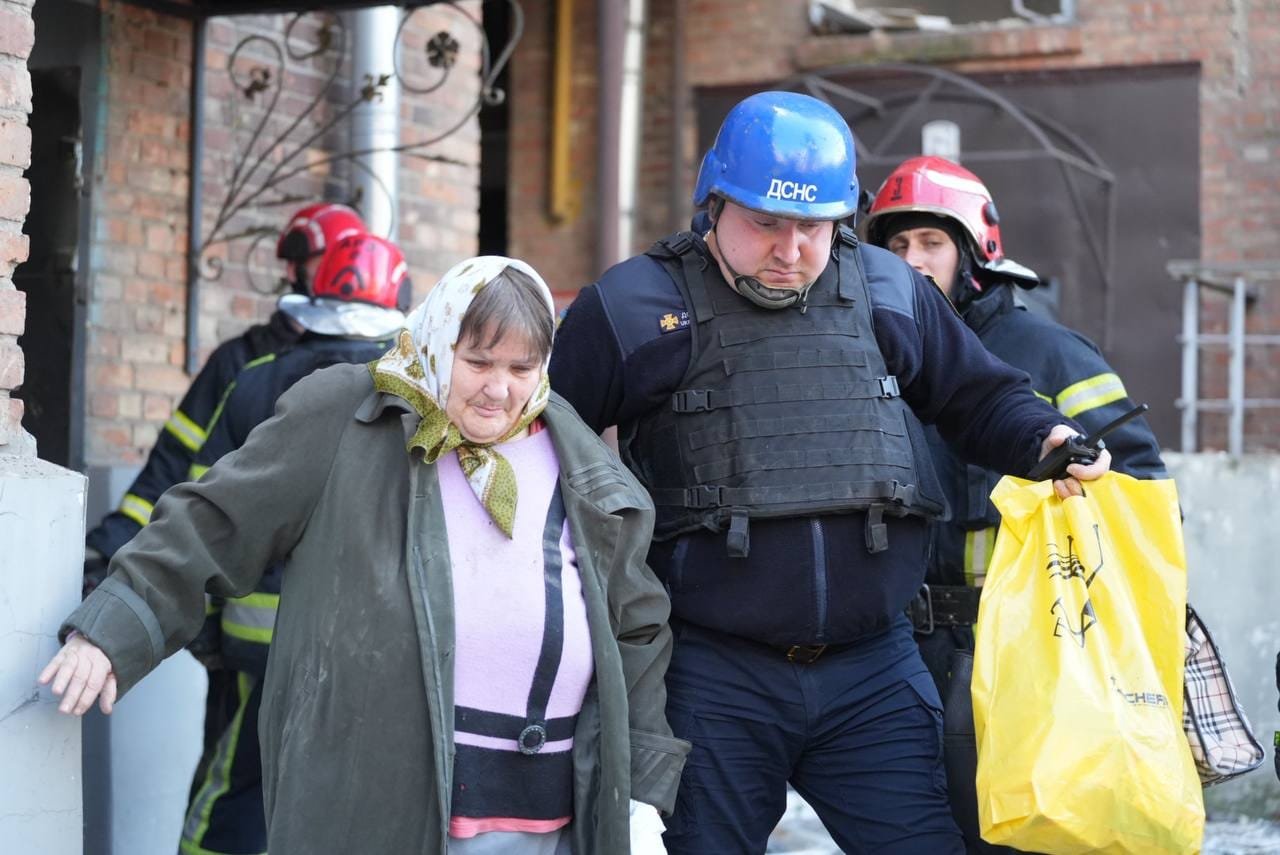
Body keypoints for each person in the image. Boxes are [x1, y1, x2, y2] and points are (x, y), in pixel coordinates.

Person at [549, 91, 1110, 854]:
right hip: (713, 674)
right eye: (765, 223)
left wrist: (1046, 436)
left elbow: (977, 394)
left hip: (872, 671)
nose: (790, 249)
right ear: (712, 205)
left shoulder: (886, 288)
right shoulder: (635, 306)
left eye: (812, 226)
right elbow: (548, 441)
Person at [41, 255, 689, 854]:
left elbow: (636, 628)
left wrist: (639, 798)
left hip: (547, 825)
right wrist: (115, 627)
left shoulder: (576, 460)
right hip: (382, 815)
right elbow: (211, 522)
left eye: (522, 369)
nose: (499, 389)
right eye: (480, 361)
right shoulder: (350, 419)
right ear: (438, 342)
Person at [863, 154, 1167, 853]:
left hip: (1022, 646)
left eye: (932, 242)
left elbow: (1140, 488)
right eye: (898, 245)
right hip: (900, 648)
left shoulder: (1050, 354)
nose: (913, 261)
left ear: (973, 252)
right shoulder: (870, 357)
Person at [177, 233, 410, 855]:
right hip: (371, 648)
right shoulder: (416, 394)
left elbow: (203, 508)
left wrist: (204, 631)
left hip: (252, 646)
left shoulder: (255, 379)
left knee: (232, 793)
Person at [83, 202, 367, 587]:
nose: (292, 273)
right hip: (243, 600)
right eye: (319, 260)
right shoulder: (240, 361)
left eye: (344, 260)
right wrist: (110, 547)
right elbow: (172, 464)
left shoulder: (381, 368)